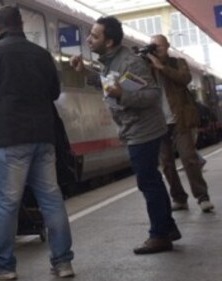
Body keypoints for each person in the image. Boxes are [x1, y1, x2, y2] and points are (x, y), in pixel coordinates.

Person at [0, 6, 74, 280]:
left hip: (10, 137)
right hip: (43, 136)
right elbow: (54, 92)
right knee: (51, 199)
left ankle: (3, 264)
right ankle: (63, 262)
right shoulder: (40, 54)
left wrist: (0, 98)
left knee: (5, 203)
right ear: (21, 25)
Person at [70, 17, 180, 254]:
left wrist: (122, 95)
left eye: (95, 36)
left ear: (109, 42)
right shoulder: (111, 61)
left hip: (144, 129)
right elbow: (110, 84)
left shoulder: (130, 62)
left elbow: (151, 94)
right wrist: (86, 73)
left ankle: (160, 235)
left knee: (148, 180)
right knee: (150, 179)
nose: (89, 39)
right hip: (134, 128)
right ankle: (167, 228)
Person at [148, 34, 214, 213]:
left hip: (180, 119)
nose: (156, 49)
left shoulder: (178, 63)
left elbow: (184, 78)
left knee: (189, 158)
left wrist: (161, 67)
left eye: (159, 46)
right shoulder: (147, 67)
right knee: (167, 163)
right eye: (153, 46)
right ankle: (179, 198)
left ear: (167, 46)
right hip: (158, 122)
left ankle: (202, 197)